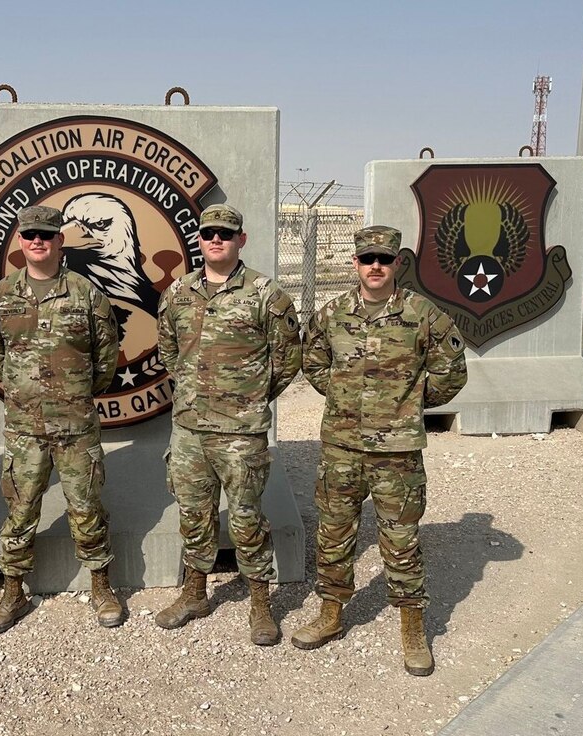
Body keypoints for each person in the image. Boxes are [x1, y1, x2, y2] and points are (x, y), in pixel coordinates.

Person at [291, 224, 467, 676]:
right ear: (355, 263)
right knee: (334, 533)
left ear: (397, 264)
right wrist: (341, 395)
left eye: (384, 259)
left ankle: (412, 627)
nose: (375, 266)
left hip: (397, 451)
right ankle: (331, 614)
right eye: (367, 258)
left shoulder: (423, 314)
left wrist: (408, 403)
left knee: (401, 538)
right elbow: (312, 360)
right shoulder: (333, 314)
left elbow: (451, 371)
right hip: (341, 447)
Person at [154, 203, 302, 646]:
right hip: (189, 431)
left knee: (245, 518)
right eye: (208, 233)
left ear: (241, 239)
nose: (216, 239)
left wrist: (249, 398)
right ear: (199, 239)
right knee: (193, 514)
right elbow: (168, 353)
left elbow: (286, 359)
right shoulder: (178, 293)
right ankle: (195, 593)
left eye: (225, 232)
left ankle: (260, 602)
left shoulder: (265, 294)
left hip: (241, 433)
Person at [0, 205, 124, 634]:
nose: (38, 241)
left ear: (60, 241)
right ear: (20, 242)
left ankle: (101, 586)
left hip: (76, 426)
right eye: (30, 235)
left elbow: (105, 358)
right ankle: (13, 592)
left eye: (47, 234)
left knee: (86, 506)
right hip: (25, 428)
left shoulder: (86, 294)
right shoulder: (2, 296)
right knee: (20, 510)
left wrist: (73, 394)